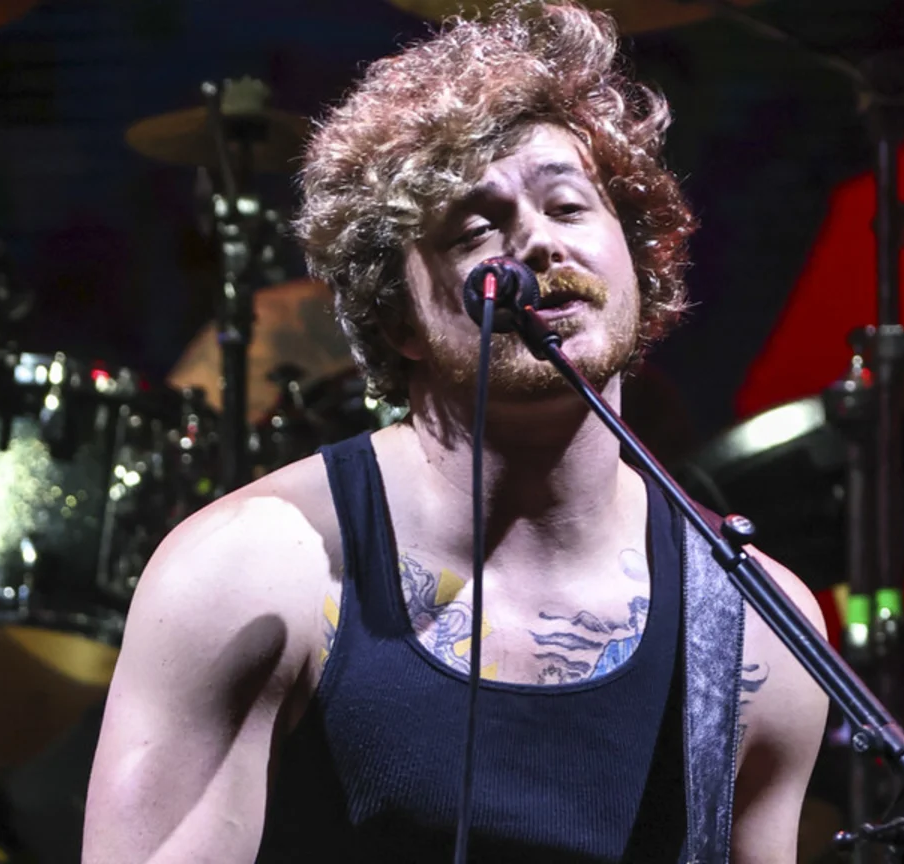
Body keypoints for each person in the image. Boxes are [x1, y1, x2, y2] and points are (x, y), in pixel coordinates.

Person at [81, 3, 829, 862]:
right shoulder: (249, 572)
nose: (538, 243)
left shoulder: (754, 627)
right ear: (397, 317)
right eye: (477, 227)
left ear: (638, 256)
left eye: (570, 205)